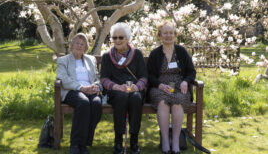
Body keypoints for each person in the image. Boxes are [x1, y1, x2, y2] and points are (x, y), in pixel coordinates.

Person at [147, 21, 196, 154]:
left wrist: (186, 81)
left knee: (177, 101)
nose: (168, 36)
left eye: (171, 33)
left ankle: (175, 142)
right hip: (159, 87)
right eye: (165, 33)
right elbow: (149, 75)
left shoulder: (181, 51)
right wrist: (159, 85)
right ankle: (165, 142)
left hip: (179, 87)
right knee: (163, 103)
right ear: (160, 35)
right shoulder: (155, 53)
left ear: (175, 35)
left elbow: (192, 72)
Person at [100, 22, 148, 154]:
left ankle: (134, 141)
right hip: (115, 92)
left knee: (136, 99)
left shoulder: (137, 54)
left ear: (127, 39)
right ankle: (118, 141)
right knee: (121, 98)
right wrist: (116, 86)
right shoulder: (106, 56)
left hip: (134, 90)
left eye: (121, 37)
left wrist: (137, 87)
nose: (117, 40)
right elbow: (103, 79)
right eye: (114, 38)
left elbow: (144, 77)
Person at [56, 33, 102, 154]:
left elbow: (97, 77)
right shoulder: (63, 60)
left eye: (82, 44)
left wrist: (96, 86)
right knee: (83, 102)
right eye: (77, 43)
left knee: (97, 104)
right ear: (72, 45)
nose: (79, 46)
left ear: (86, 48)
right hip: (73, 90)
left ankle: (84, 143)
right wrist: (81, 88)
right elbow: (63, 79)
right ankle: (75, 145)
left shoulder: (90, 59)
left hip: (90, 90)